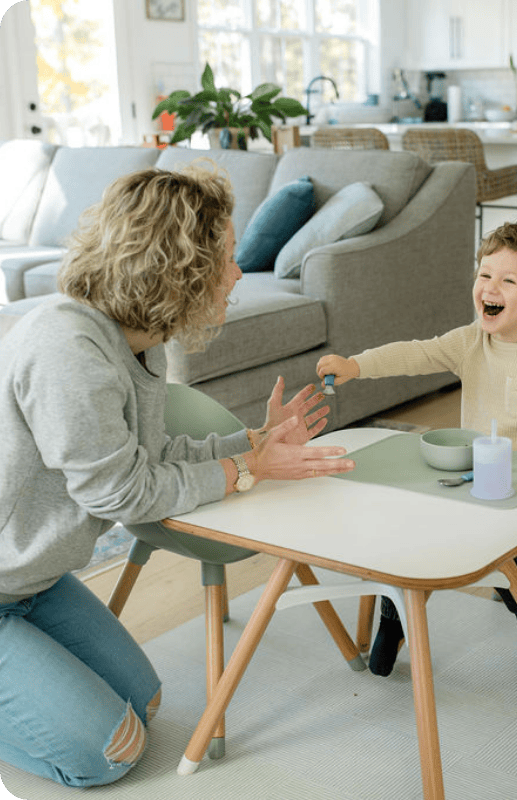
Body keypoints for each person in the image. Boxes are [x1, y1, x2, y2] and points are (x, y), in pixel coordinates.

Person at [0, 162, 355, 788]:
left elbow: (154, 455)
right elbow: (125, 493)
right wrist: (249, 468)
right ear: (177, 268)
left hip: (34, 582)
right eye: (225, 256)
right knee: (111, 753)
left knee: (147, 704)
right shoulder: (68, 350)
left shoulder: (139, 340)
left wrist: (255, 442)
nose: (237, 271)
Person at [317, 217, 517, 691]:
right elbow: (415, 354)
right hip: (474, 481)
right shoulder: (471, 343)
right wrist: (356, 366)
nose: (490, 286)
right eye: (485, 274)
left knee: (489, 543)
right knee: (408, 517)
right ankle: (396, 620)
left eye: (508, 280)